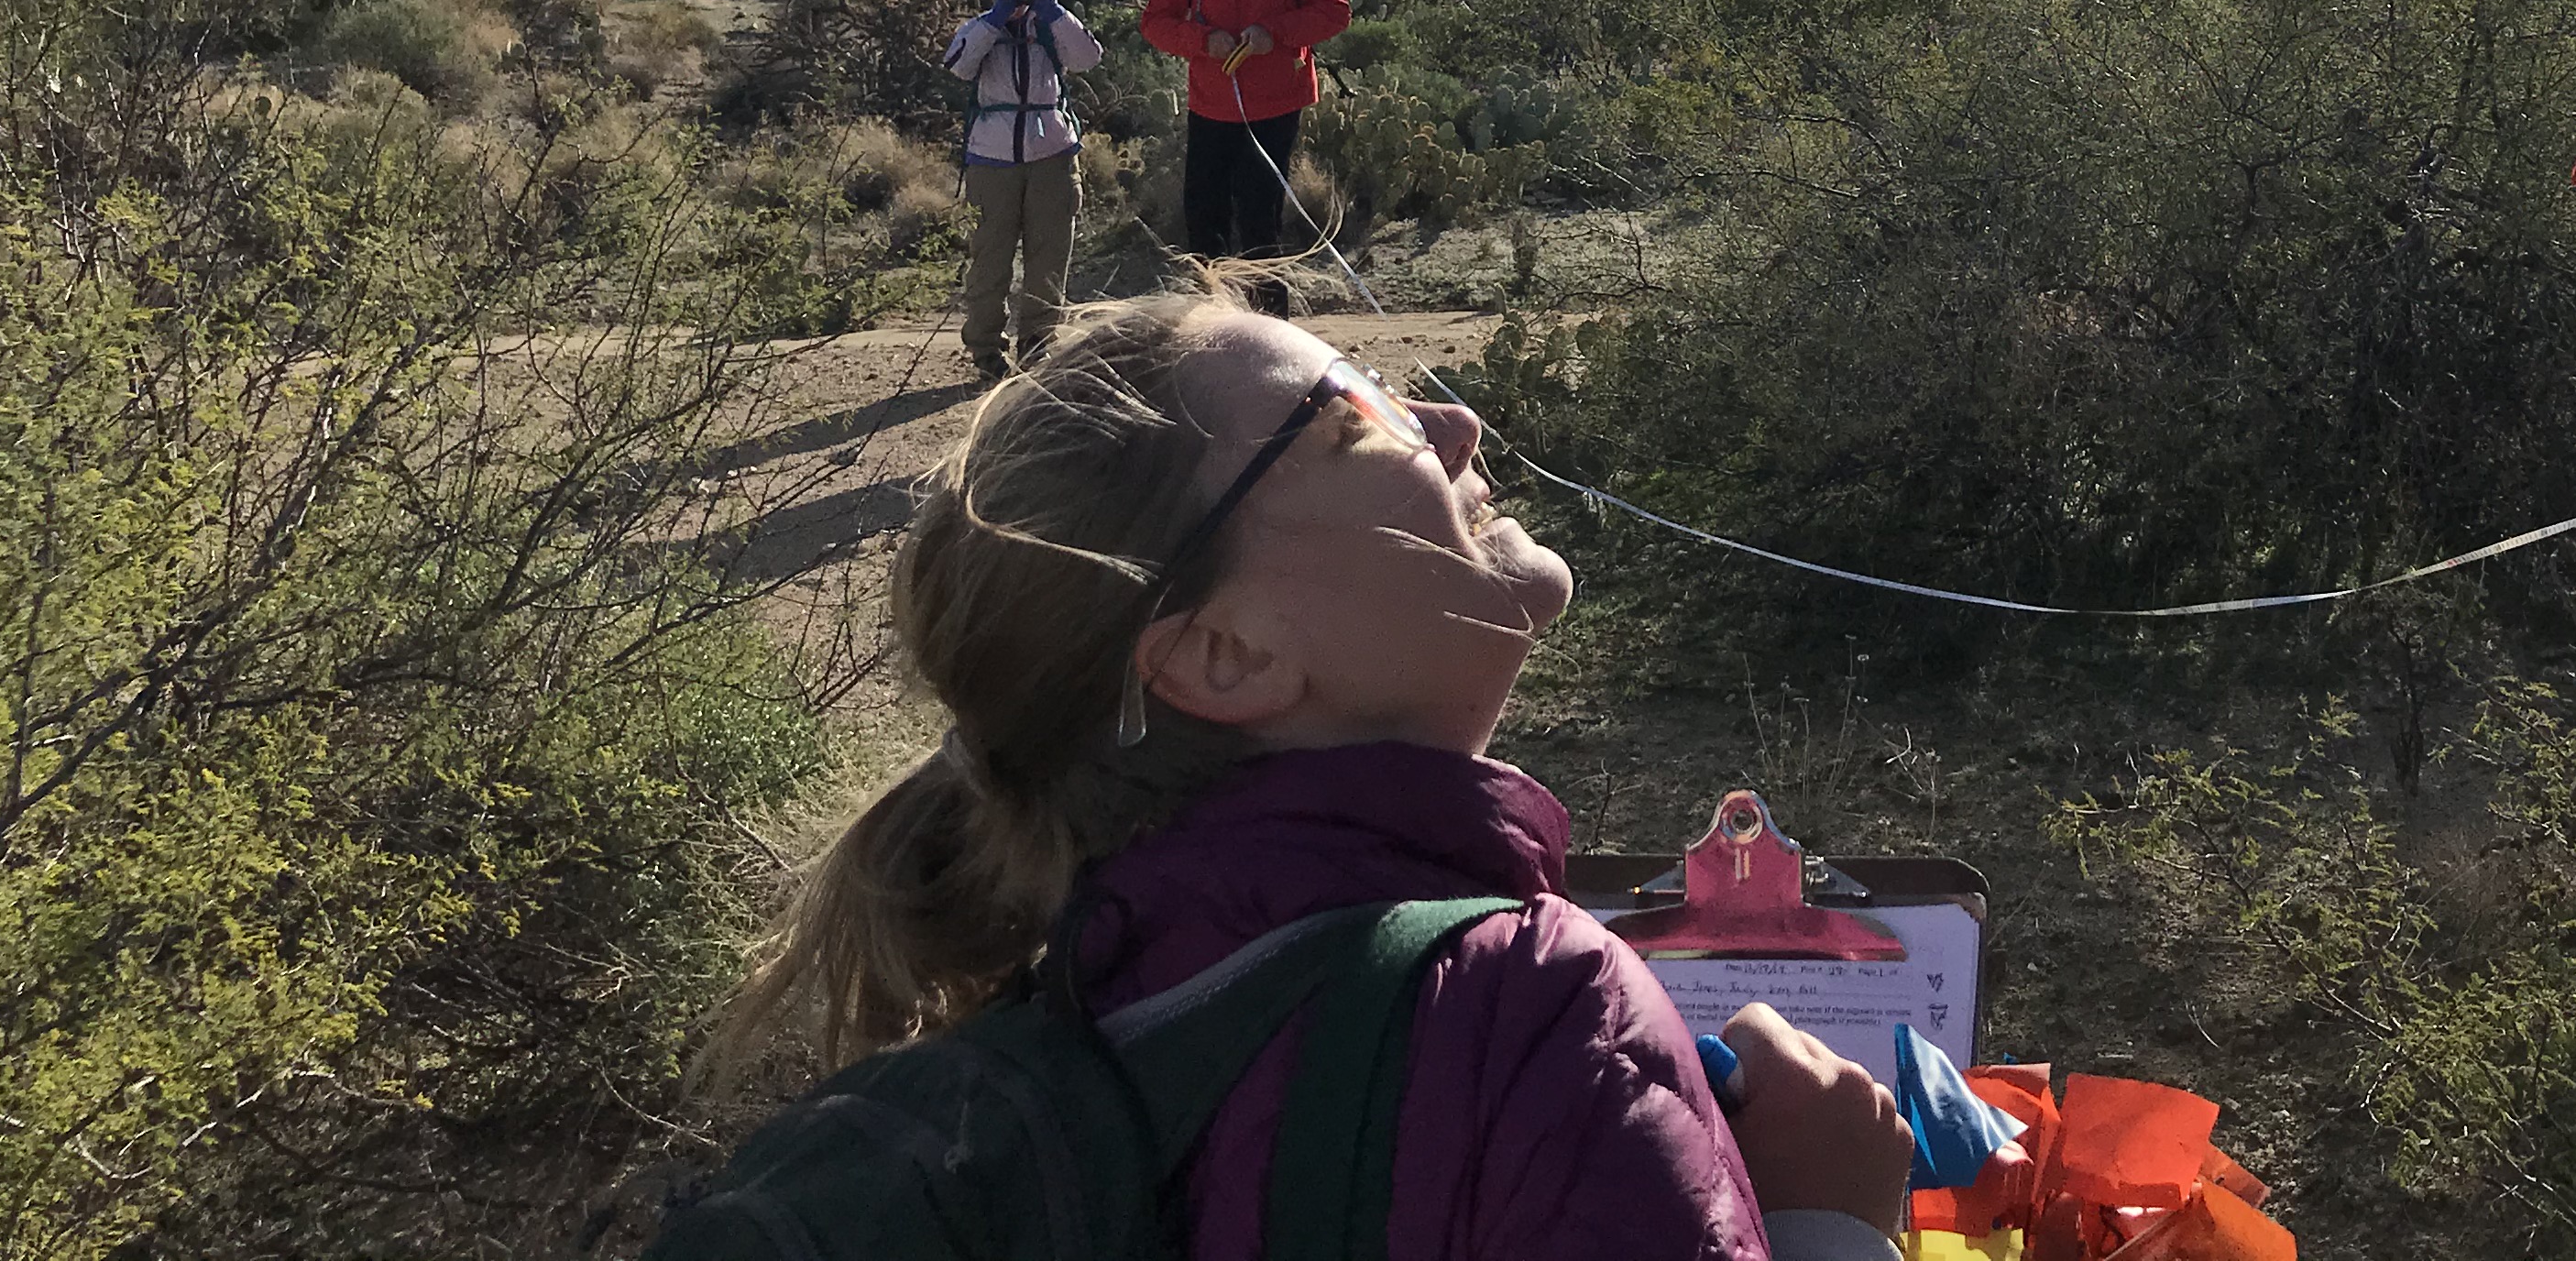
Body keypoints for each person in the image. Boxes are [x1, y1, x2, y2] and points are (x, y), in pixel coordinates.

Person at [718, 295, 1915, 1259]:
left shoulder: (1094, 1009)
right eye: (1355, 418)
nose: (1453, 423)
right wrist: (1826, 1219)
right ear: (1225, 657)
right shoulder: (1532, 1016)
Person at [1137, 0, 1352, 274]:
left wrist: (1275, 33)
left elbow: (1335, 11)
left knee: (1260, 219)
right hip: (1211, 105)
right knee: (1203, 220)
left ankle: (1268, 310)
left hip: (1276, 104)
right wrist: (1203, 41)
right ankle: (1212, 307)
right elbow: (1155, 22)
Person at [944, 0, 1103, 376]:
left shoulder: (1050, 28)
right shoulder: (980, 28)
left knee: (1049, 256)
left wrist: (1051, 10)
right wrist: (997, 18)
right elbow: (959, 65)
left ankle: (1038, 343)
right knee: (990, 259)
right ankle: (986, 350)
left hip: (1052, 155)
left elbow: (1088, 57)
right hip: (992, 159)